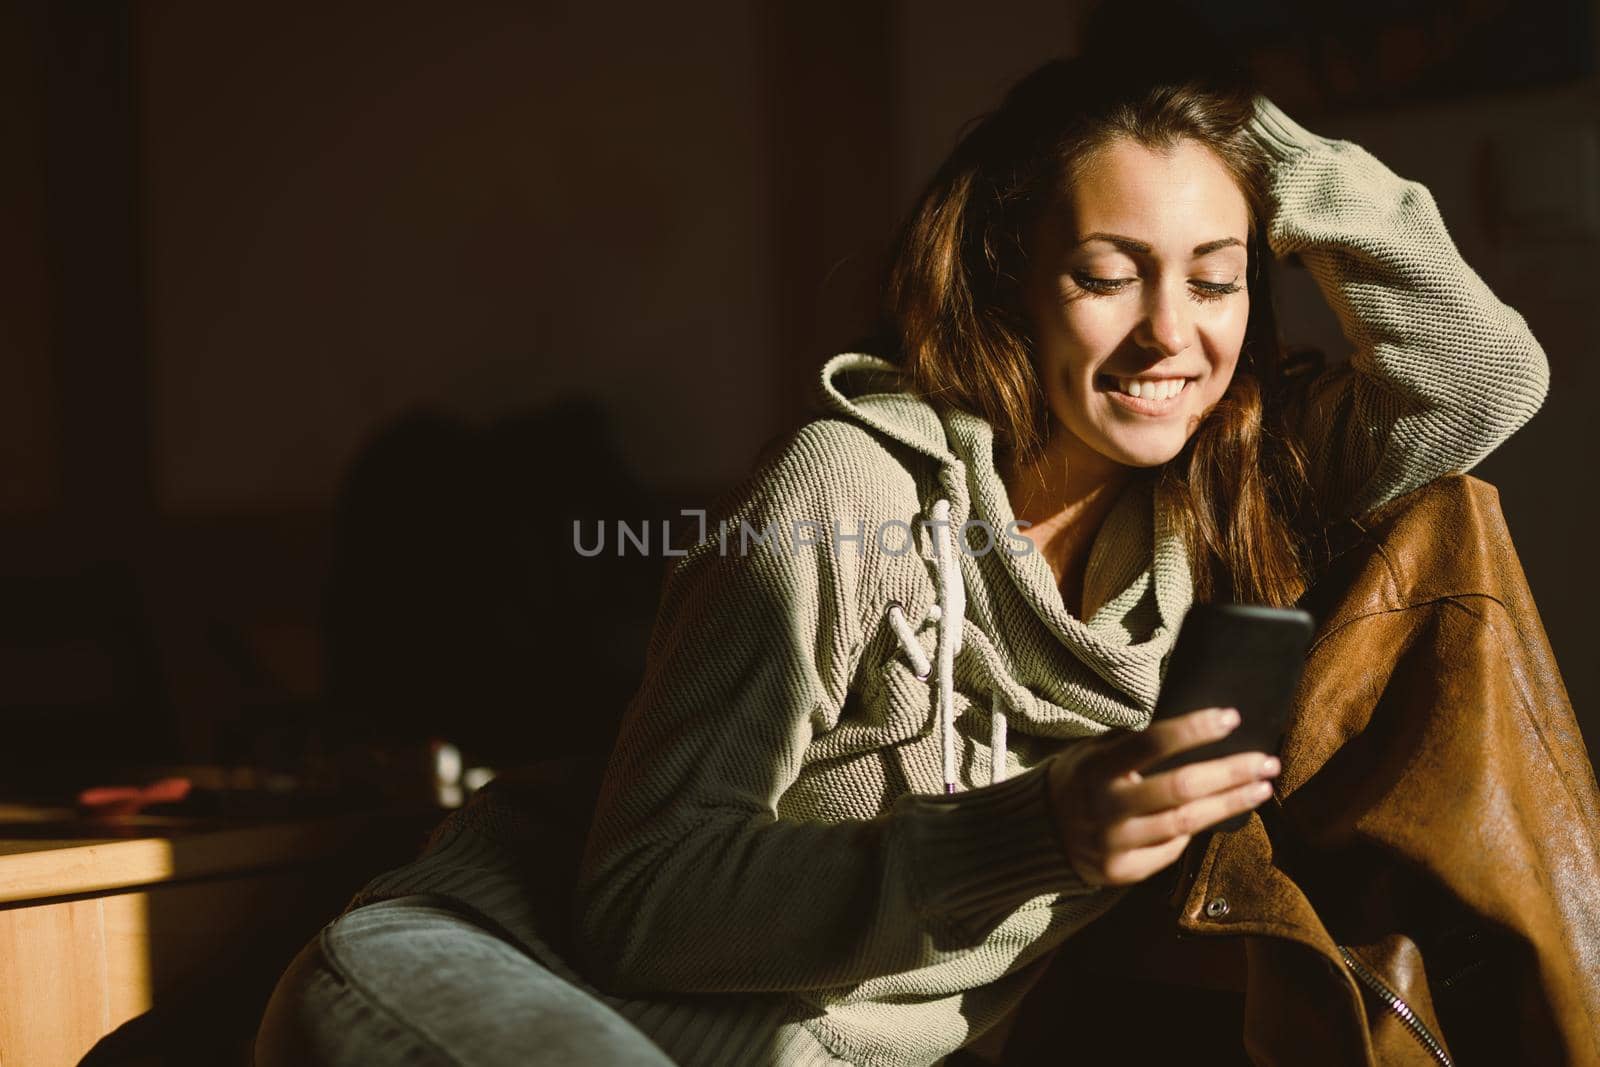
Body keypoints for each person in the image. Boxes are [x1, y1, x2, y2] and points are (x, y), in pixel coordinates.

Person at [255, 34, 1551, 1067]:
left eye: (1213, 278)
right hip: (496, 965)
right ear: (1008, 278)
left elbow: (1482, 381)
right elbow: (640, 899)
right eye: (1111, 272)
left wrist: (1245, 133)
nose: (1172, 335)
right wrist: (1038, 831)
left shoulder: (1225, 508)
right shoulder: (848, 489)